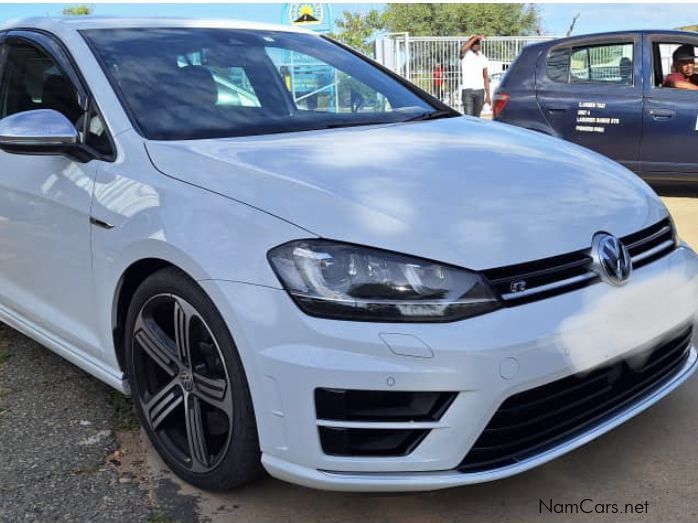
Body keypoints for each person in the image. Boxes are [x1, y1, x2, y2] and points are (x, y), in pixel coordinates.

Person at [459, 35, 491, 116]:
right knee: (469, 118)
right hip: (467, 91)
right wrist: (475, 38)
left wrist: (488, 95)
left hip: (480, 91)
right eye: (473, 43)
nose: (475, 45)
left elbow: (486, 77)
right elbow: (462, 49)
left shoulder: (482, 57)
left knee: (477, 118)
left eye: (477, 43)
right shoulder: (465, 54)